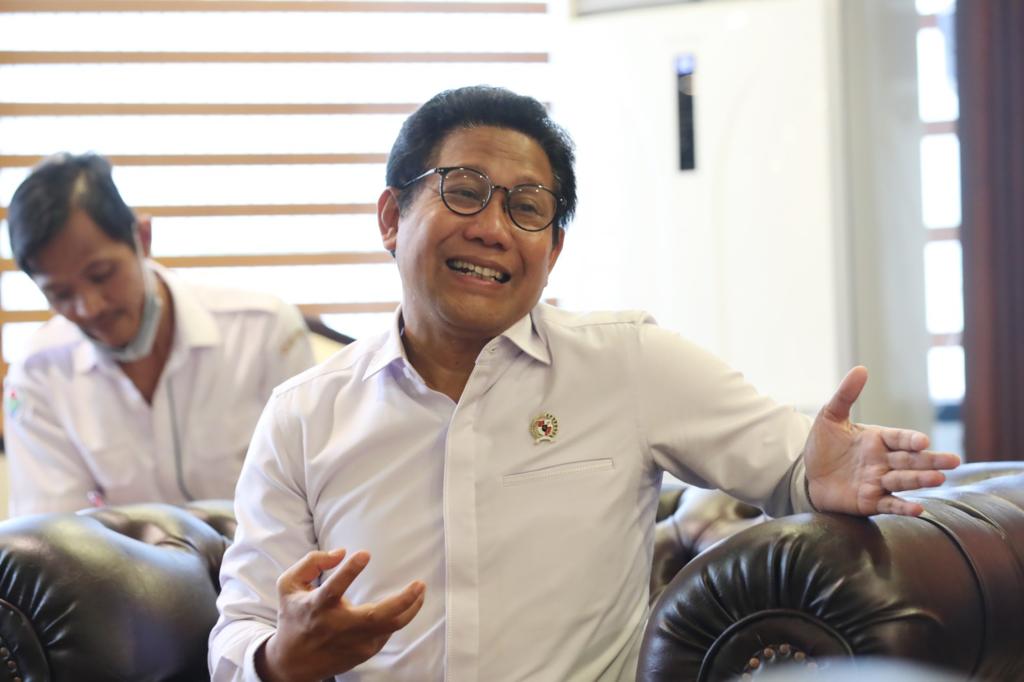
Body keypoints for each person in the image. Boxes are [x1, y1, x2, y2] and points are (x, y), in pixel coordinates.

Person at [208, 86, 960, 681]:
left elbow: (792, 464)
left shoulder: (629, 364)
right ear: (390, 217)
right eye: (464, 191)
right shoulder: (303, 416)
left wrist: (818, 472)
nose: (493, 228)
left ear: (553, 249)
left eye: (527, 208)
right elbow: (241, 626)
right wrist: (280, 660)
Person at [3, 153, 315, 516]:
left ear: (143, 237)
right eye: (60, 294)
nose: (89, 307)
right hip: (118, 556)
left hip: (268, 551)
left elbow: (313, 489)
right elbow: (55, 531)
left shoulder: (262, 331)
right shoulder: (39, 376)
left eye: (101, 275)